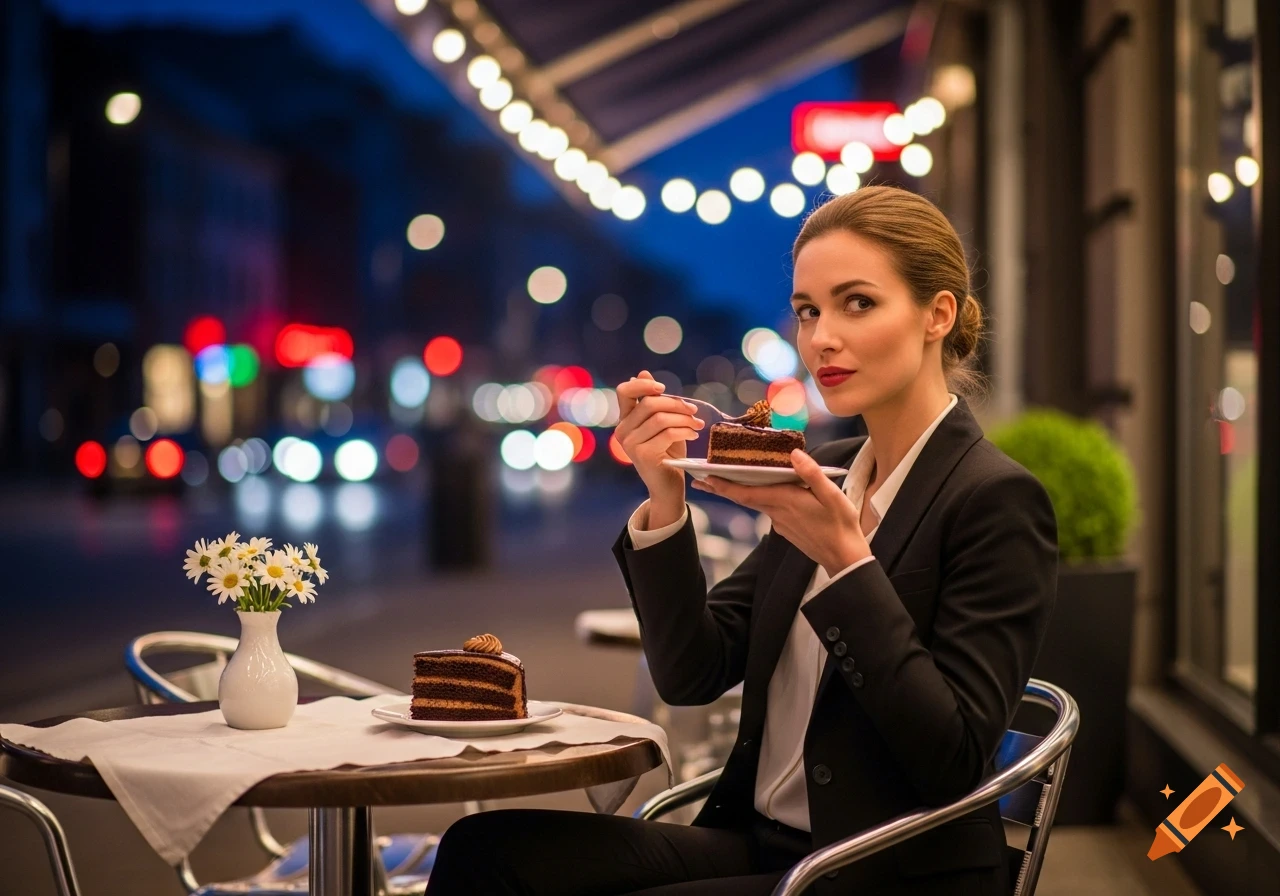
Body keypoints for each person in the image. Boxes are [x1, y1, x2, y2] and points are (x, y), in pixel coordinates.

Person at [425, 185, 1058, 895]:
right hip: (762, 845)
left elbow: (954, 758)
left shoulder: (993, 500)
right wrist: (666, 502)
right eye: (808, 311)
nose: (822, 338)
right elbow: (691, 672)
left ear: (937, 314)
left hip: (880, 870)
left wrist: (846, 564)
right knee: (486, 849)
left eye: (859, 303)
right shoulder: (829, 472)